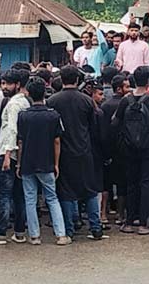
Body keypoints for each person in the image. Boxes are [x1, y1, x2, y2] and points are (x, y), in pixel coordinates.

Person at [47, 65, 104, 240]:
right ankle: (96, 228)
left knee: (66, 191)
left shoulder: (52, 101)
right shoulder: (87, 101)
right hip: (84, 150)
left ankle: (70, 229)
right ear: (77, 80)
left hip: (62, 152)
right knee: (90, 189)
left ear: (61, 79)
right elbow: (94, 127)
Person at [16, 77, 72, 246]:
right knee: (52, 198)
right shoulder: (53, 115)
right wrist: (56, 163)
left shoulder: (23, 116)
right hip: (47, 161)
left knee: (30, 199)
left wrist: (18, 163)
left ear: (29, 94)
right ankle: (61, 235)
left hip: (27, 162)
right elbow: (57, 141)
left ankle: (34, 236)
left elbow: (20, 142)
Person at [112, 65, 149, 235]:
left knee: (131, 183)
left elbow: (115, 122)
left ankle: (128, 222)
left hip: (128, 149)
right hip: (148, 149)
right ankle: (143, 223)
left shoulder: (126, 100)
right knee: (147, 183)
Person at [0, 69, 31, 245]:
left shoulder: (14, 104)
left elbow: (12, 129)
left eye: (7, 84)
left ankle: (1, 233)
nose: (4, 87)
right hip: (20, 155)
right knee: (19, 195)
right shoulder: (25, 102)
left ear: (18, 85)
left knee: (5, 195)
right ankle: (19, 231)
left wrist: (6, 155)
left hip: (10, 154)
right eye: (3, 83)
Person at [100, 75, 130, 225]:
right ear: (119, 88)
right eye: (126, 86)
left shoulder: (105, 105)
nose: (129, 89)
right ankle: (120, 215)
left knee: (106, 183)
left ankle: (103, 213)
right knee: (122, 184)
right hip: (123, 148)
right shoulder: (127, 104)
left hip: (108, 149)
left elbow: (103, 130)